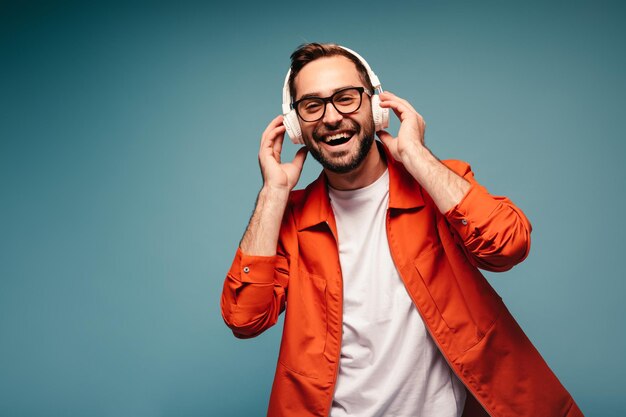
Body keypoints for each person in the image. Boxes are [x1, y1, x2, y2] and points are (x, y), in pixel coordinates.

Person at [220, 43, 583, 417]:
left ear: (376, 106)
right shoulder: (289, 219)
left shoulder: (439, 185)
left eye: (346, 98)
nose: (331, 117)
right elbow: (244, 319)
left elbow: (509, 246)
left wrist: (416, 156)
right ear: (296, 125)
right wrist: (273, 193)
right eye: (312, 106)